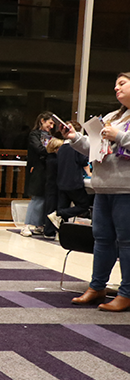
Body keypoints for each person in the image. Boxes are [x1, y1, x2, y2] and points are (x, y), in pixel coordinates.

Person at [65, 72, 130, 311]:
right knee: (101, 239)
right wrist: (74, 138)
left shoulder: (116, 124)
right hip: (103, 186)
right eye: (115, 84)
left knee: (127, 243)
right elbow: (95, 147)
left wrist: (118, 136)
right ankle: (97, 287)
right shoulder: (112, 117)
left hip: (127, 189)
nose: (116, 88)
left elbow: (119, 140)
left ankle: (126, 293)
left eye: (122, 83)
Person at [47, 122, 92, 229]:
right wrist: (89, 173)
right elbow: (83, 161)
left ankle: (59, 230)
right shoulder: (77, 147)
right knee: (84, 206)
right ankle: (58, 214)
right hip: (74, 182)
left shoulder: (61, 148)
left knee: (63, 207)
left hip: (61, 182)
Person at [22, 111, 54, 237]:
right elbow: (39, 149)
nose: (51, 126)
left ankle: (39, 224)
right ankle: (27, 225)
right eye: (50, 123)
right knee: (37, 198)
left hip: (48, 170)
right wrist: (52, 149)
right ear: (42, 121)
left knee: (45, 198)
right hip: (38, 169)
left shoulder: (51, 136)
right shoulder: (34, 135)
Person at [41, 123, 63, 240]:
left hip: (50, 186)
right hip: (54, 186)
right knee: (52, 208)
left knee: (49, 207)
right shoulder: (55, 161)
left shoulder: (48, 159)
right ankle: (50, 230)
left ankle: (48, 230)